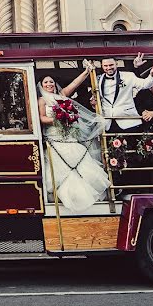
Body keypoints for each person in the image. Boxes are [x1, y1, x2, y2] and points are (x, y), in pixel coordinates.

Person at [38, 66, 110, 211]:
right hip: (54, 136)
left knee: (79, 157)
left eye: (51, 82)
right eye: (46, 82)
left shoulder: (62, 94)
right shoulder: (41, 100)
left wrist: (86, 72)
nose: (49, 84)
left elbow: (74, 84)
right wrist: (57, 120)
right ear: (41, 85)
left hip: (69, 136)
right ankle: (68, 198)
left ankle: (86, 196)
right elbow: (41, 118)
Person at [95, 55, 153, 133]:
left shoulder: (128, 76)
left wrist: (152, 75)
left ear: (116, 64)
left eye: (111, 65)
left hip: (128, 121)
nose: (108, 68)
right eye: (105, 66)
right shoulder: (98, 79)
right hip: (108, 122)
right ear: (102, 66)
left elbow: (145, 84)